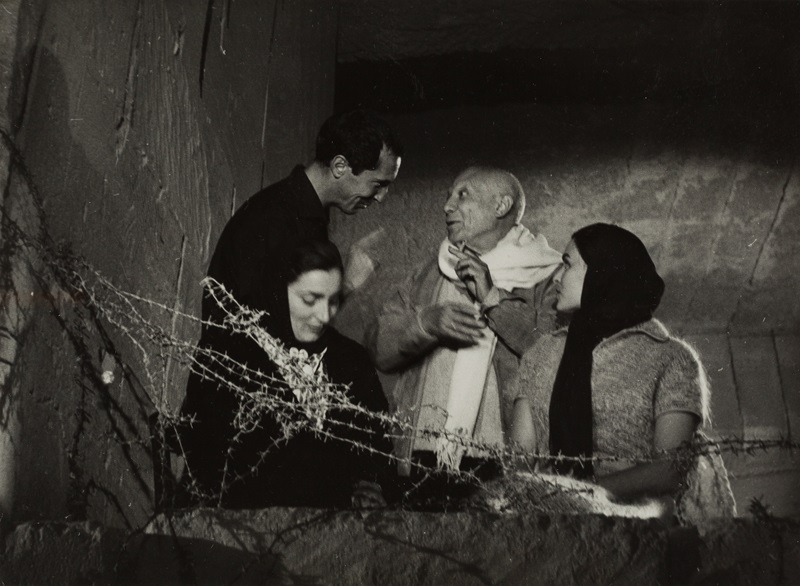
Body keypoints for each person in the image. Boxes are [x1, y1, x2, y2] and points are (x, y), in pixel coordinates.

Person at [507, 223, 735, 523]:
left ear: (603, 272)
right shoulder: (541, 355)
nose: (557, 278)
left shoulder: (670, 357)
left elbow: (671, 469)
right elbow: (520, 461)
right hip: (548, 523)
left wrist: (578, 495)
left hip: (639, 527)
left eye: (567, 264)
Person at [366, 166, 562, 503]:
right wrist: (425, 323)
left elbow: (555, 356)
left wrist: (493, 300)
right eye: (448, 196)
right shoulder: (428, 271)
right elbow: (380, 350)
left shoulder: (548, 274)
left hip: (505, 457)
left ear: (501, 206)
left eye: (463, 195)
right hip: (420, 452)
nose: (447, 206)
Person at [181, 240, 393, 508]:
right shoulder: (228, 352)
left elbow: (378, 450)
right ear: (277, 290)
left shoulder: (352, 360)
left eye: (334, 301)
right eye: (310, 299)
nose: (325, 316)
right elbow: (213, 461)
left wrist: (371, 484)